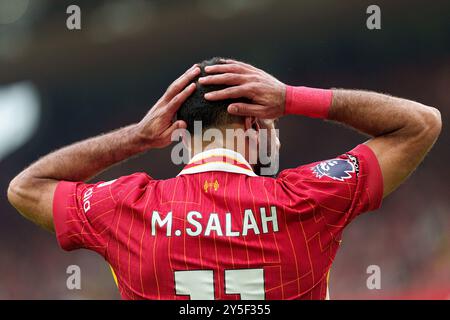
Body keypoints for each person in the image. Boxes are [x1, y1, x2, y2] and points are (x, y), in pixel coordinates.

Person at [7, 58, 441, 299]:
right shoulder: (307, 198)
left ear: (180, 132)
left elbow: (26, 187)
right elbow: (421, 124)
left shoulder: (127, 207)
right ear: (255, 124)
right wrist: (291, 97)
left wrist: (135, 138)